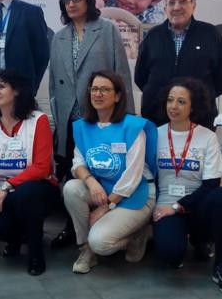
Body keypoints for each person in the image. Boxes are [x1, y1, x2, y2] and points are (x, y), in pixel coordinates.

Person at [49, 0, 134, 248]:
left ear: (88, 2)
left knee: (106, 169)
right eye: (67, 0)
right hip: (71, 119)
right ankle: (73, 227)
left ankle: (109, 221)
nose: (71, 4)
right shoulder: (59, 36)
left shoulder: (106, 30)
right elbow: (53, 82)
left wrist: (126, 118)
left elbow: (121, 74)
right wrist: (59, 117)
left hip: (102, 116)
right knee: (74, 175)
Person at [152, 77, 222, 296]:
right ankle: (186, 241)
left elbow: (211, 185)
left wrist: (177, 206)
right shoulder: (155, 134)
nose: (174, 106)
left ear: (194, 106)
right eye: (170, 100)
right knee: (170, 255)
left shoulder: (207, 137)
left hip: (199, 205)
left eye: (181, 101)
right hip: (165, 206)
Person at [64, 71, 157, 274]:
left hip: (136, 194)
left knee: (101, 243)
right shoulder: (83, 127)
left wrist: (106, 206)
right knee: (71, 188)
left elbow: (133, 176)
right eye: (94, 89)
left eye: (105, 89)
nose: (98, 94)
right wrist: (91, 181)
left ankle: (137, 233)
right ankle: (86, 248)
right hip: (104, 188)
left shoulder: (132, 126)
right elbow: (77, 163)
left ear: (117, 96)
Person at [0, 69, 59, 275]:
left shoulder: (38, 120)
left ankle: (36, 253)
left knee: (25, 195)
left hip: (37, 190)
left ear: (17, 90)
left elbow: (42, 167)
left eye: (1, 86)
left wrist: (6, 187)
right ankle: (17, 237)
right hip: (0, 194)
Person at [134, 0, 222, 128]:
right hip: (157, 122)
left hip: (199, 122)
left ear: (193, 5)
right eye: (171, 3)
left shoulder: (210, 35)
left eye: (182, 1)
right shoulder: (152, 36)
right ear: (165, 8)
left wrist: (202, 97)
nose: (176, 7)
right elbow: (141, 78)